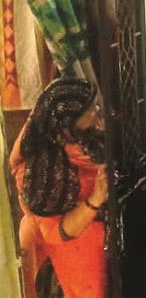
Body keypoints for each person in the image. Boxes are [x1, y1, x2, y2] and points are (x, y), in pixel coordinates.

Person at [9, 78, 107, 298]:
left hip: (97, 244)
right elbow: (56, 232)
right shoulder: (42, 172)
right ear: (67, 122)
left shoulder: (75, 136)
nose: (98, 114)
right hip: (76, 254)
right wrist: (96, 199)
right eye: (90, 111)